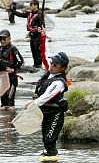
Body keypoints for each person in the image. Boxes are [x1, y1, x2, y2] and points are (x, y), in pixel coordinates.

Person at [27, 27, 70, 157]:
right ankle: (48, 154)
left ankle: (52, 156)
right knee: (45, 140)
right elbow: (44, 53)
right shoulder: (50, 72)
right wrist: (43, 37)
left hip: (55, 114)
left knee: (50, 140)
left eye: (55, 65)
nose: (51, 66)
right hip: (45, 113)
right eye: (52, 63)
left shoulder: (59, 83)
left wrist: (32, 104)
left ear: (62, 68)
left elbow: (46, 97)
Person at [0, 29, 24, 111]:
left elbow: (21, 62)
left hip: (12, 78)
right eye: (0, 39)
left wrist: (13, 70)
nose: (2, 41)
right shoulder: (0, 48)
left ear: (9, 38)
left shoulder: (13, 49)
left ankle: (11, 118)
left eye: (4, 39)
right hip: (2, 77)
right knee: (3, 101)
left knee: (10, 102)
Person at [10, 0, 42, 68]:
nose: (30, 6)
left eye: (31, 5)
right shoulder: (29, 14)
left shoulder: (39, 15)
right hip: (32, 35)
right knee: (33, 51)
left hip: (38, 36)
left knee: (37, 52)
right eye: (29, 4)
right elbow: (20, 14)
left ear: (36, 5)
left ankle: (39, 66)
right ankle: (35, 65)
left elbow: (43, 27)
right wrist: (12, 10)